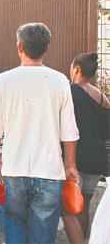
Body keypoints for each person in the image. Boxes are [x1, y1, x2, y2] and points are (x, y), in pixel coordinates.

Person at [0, 22, 80, 244]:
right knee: (44, 233)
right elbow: (69, 131)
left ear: (19, 47)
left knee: (15, 224)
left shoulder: (2, 80)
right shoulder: (59, 81)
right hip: (49, 170)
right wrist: (70, 165)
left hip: (14, 168)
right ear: (46, 48)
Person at [63, 52, 109, 244]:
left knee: (71, 208)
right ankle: (88, 239)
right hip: (97, 159)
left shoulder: (69, 91)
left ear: (77, 69)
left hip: (77, 158)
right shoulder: (101, 97)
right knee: (85, 203)